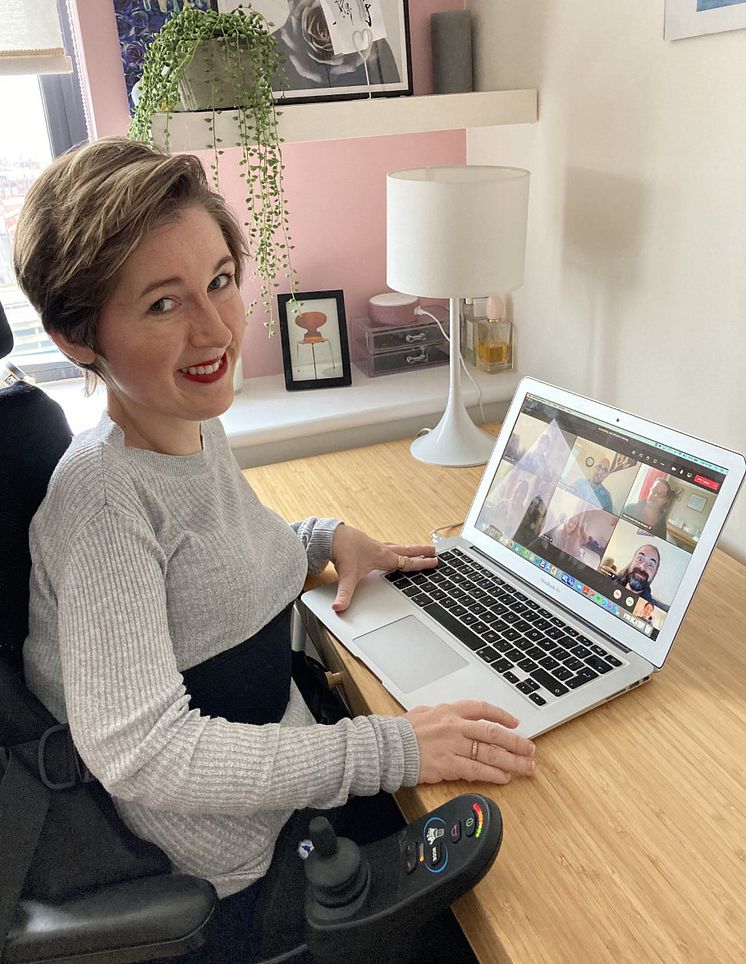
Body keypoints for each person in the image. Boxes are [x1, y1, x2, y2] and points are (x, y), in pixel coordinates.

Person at [14, 138, 536, 962]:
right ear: (79, 339)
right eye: (162, 304)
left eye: (220, 281)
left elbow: (216, 574)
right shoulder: (104, 506)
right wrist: (393, 746)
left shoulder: (188, 426)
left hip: (295, 781)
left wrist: (326, 540)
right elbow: (149, 756)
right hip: (242, 877)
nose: (218, 327)